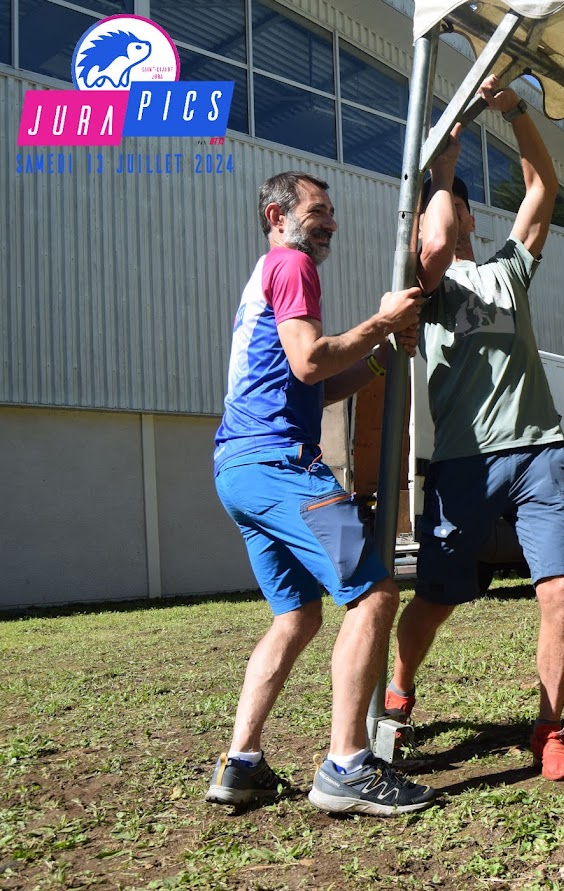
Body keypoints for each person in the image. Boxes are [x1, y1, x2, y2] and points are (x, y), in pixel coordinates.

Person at [207, 171, 437, 816]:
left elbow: (315, 384)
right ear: (278, 215)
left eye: (332, 212)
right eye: (317, 211)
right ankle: (348, 766)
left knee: (298, 615)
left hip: (239, 470)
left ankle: (242, 762)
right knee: (374, 594)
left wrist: (380, 352)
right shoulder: (291, 264)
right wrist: (382, 319)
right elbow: (312, 360)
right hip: (283, 468)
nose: (330, 221)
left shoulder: (270, 274)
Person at [385, 76, 564, 782]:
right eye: (423, 217)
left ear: (472, 216)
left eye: (448, 207)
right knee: (437, 599)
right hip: (464, 462)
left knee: (560, 588)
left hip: (538, 449)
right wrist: (440, 170)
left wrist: (515, 111)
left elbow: (544, 185)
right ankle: (399, 689)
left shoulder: (507, 269)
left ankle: (549, 726)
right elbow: (434, 242)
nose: (433, 223)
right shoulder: (424, 288)